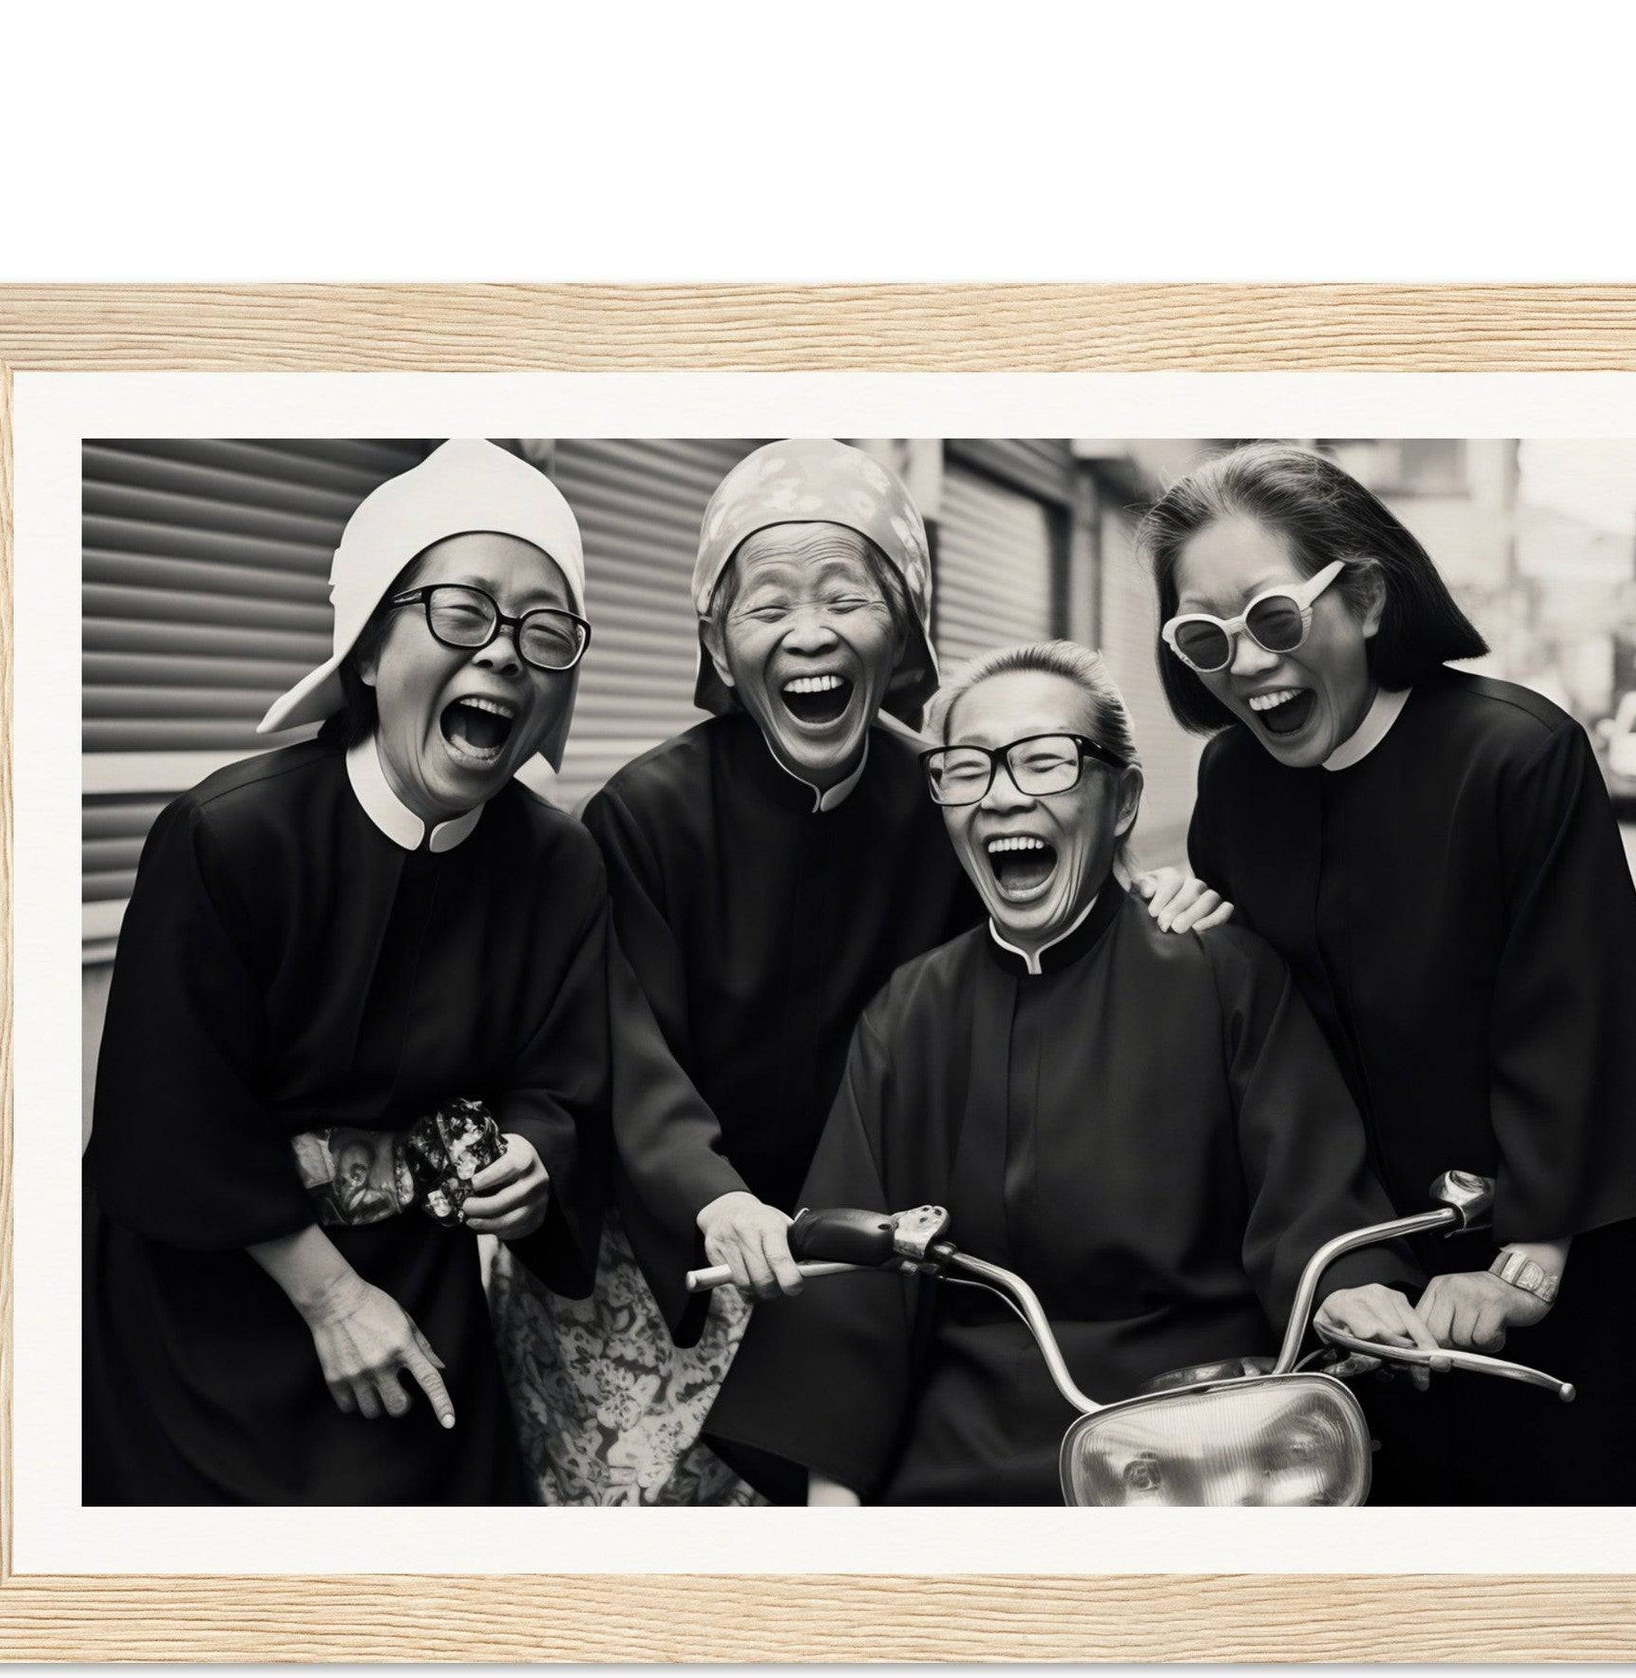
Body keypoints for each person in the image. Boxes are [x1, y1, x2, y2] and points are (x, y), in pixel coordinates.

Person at [491, 439, 1224, 1505]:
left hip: (865, 1254)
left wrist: (1151, 896)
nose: (808, 632)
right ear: (715, 638)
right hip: (674, 1253)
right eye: (765, 604)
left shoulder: (943, 794)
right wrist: (715, 1198)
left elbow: (1044, 903)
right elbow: (623, 1048)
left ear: (907, 627)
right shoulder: (646, 814)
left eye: (847, 595)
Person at [703, 642, 1422, 1506]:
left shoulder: (1222, 975)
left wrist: (1354, 1290)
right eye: (966, 770)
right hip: (960, 1454)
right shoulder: (911, 1011)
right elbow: (850, 1274)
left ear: (1121, 799)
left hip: (1199, 1439)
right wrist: (834, 1494)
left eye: (1046, 762)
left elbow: (1312, 1198)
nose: (1003, 794)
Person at [84, 439, 609, 1505]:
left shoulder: (557, 863)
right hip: (212, 1302)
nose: (504, 653)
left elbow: (563, 1074)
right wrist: (329, 1299)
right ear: (368, 651)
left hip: (414, 1289)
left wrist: (531, 1154)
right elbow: (170, 1111)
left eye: (542, 631)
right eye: (463, 613)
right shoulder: (230, 835)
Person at [1140, 443, 1636, 1505]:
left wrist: (1527, 1254)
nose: (1241, 662)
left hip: (1536, 1283)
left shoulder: (1515, 755)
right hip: (1341, 1284)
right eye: (1202, 636)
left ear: (1364, 598)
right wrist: (1193, 930)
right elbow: (1261, 1033)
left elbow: (1580, 1020)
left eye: (1272, 618)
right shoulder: (1230, 780)